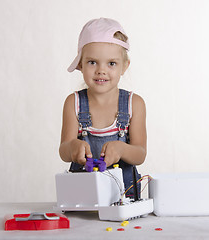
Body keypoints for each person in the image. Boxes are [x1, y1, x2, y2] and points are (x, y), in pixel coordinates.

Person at [59, 18, 147, 197]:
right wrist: (73, 147)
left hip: (124, 197)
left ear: (124, 66)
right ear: (81, 65)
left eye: (111, 63)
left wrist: (122, 149)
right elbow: (64, 150)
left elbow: (140, 153)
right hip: (83, 196)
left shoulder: (134, 104)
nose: (101, 70)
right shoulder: (73, 103)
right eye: (92, 62)